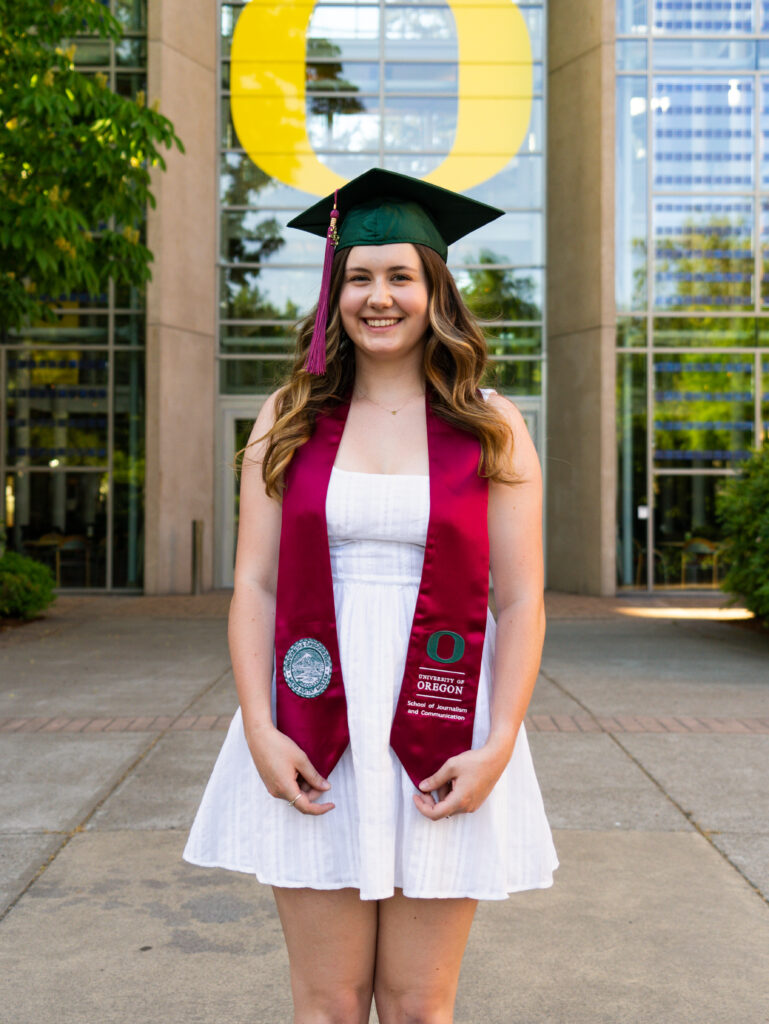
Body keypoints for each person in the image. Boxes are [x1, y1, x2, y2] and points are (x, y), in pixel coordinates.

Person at [184, 168, 558, 1024]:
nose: (377, 297)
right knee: (327, 1001)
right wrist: (258, 729)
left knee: (420, 1004)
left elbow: (520, 600)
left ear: (434, 291)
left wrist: (498, 743)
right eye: (358, 276)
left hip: (445, 721)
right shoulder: (287, 416)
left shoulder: (489, 424)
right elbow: (254, 584)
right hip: (314, 724)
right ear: (333, 291)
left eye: (400, 277)